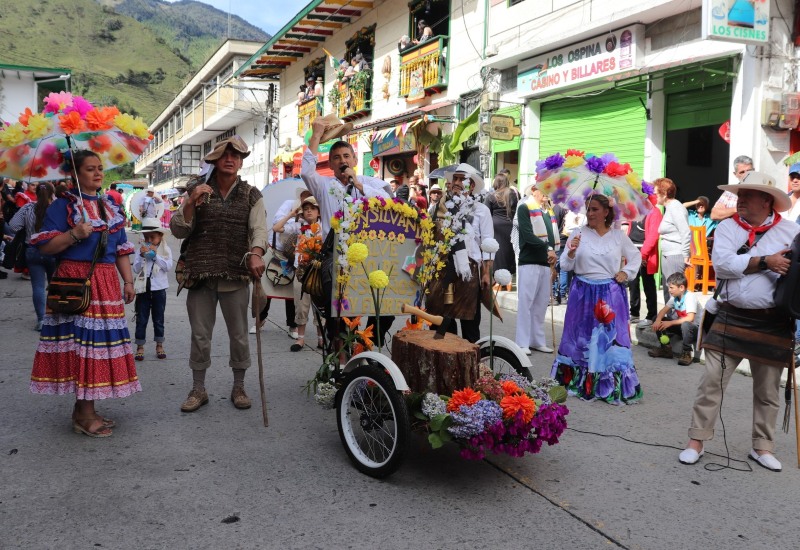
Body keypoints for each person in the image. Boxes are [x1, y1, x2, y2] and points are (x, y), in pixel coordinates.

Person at [679, 172, 799, 472]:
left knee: (768, 391)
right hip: (731, 315)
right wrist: (766, 261)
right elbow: (723, 265)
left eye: (747, 195)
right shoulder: (727, 228)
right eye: (739, 194)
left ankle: (762, 447)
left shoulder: (789, 232)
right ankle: (697, 441)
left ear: (767, 200)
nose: (740, 199)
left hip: (772, 321)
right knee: (710, 384)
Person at [30, 150, 140, 438]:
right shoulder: (62, 208)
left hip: (105, 285)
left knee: (97, 347)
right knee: (83, 348)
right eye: (90, 169)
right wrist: (74, 235)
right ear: (75, 175)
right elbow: (45, 248)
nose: (98, 173)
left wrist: (128, 282)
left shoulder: (109, 207)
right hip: (75, 283)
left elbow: (121, 250)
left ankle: (83, 410)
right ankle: (85, 413)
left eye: (100, 168)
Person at [170, 136, 268, 413]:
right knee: (200, 335)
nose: (230, 159)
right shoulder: (196, 190)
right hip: (199, 274)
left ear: (241, 162)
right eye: (225, 154)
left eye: (236, 156)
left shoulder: (251, 194)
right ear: (214, 159)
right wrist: (191, 202)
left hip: (236, 274)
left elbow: (259, 229)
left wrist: (257, 253)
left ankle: (239, 386)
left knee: (239, 335)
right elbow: (178, 229)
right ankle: (198, 389)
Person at [302, 117, 391, 346]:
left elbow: (388, 203)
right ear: (330, 165)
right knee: (340, 310)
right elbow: (305, 171)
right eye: (336, 158)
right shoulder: (324, 186)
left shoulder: (371, 183)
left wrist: (359, 185)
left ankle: (371, 343)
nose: (342, 161)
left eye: (346, 156)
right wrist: (315, 137)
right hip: (336, 257)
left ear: (355, 159)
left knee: (385, 303)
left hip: (371, 255)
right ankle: (341, 359)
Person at [551, 194, 642, 404]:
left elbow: (636, 257)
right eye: (588, 209)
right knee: (580, 339)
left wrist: (625, 272)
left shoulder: (619, 236)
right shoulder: (578, 233)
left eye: (595, 209)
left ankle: (607, 384)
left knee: (608, 341)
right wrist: (571, 251)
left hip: (610, 293)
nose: (590, 213)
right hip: (582, 292)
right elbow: (565, 265)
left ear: (606, 212)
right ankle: (578, 381)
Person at [432, 163, 494, 343]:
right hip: (444, 269)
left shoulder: (482, 210)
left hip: (469, 270)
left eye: (462, 179)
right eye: (455, 179)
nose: (457, 182)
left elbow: (488, 243)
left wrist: (486, 273)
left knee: (470, 323)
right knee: (444, 321)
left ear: (472, 185)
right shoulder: (440, 208)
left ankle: (472, 363)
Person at [273, 195, 324, 352]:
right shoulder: (298, 227)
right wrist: (291, 214)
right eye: (306, 209)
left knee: (319, 308)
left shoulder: (325, 227)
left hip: (319, 272)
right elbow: (276, 228)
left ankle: (321, 339)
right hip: (301, 272)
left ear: (319, 212)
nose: (308, 212)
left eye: (312, 209)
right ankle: (300, 340)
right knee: (301, 306)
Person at [251, 189, 304, 337]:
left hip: (294, 257)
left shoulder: (311, 213)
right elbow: (276, 223)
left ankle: (293, 326)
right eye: (304, 195)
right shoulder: (289, 204)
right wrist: (294, 215)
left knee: (292, 293)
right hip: (275, 251)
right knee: (266, 289)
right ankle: (260, 320)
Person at [7, 182, 57, 330]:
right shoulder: (56, 209)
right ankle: (55, 317)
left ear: (37, 194)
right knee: (54, 285)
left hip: (32, 250)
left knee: (38, 286)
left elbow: (13, 226)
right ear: (52, 194)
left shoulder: (28, 207)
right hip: (53, 250)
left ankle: (41, 320)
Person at [515, 182, 557, 355]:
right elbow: (527, 235)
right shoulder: (524, 208)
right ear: (534, 190)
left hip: (544, 263)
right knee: (526, 303)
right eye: (544, 189)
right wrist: (548, 248)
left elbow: (553, 239)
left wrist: (553, 255)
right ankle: (522, 342)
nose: (548, 193)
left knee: (540, 304)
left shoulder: (548, 213)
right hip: (529, 262)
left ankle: (537, 340)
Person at [132, 217, 173, 362]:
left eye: (152, 237)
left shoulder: (165, 249)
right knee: (141, 317)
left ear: (160, 236)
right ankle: (140, 347)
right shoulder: (140, 249)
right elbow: (136, 269)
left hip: (159, 289)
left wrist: (155, 257)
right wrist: (143, 257)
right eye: (146, 237)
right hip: (143, 288)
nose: (149, 240)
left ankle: (159, 345)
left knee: (158, 318)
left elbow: (168, 267)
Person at [648, 271, 701, 365]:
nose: (669, 290)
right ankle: (666, 349)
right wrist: (657, 320)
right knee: (656, 318)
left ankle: (686, 352)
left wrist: (671, 323)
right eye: (669, 287)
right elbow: (662, 311)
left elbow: (690, 318)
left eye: (671, 287)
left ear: (681, 287)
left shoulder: (690, 297)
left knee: (686, 324)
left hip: (694, 330)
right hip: (683, 328)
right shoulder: (675, 298)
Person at [655, 177, 691, 303]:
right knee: (668, 288)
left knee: (674, 290)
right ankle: (669, 318)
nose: (654, 196)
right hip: (667, 254)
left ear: (664, 194)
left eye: (656, 193)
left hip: (675, 254)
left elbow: (685, 231)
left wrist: (686, 254)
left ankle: (677, 319)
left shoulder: (676, 207)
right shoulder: (669, 208)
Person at [633, 195, 662, 328]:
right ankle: (634, 313)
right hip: (632, 252)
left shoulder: (655, 212)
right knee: (632, 283)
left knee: (648, 284)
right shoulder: (635, 209)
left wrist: (643, 255)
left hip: (645, 254)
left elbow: (653, 236)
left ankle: (651, 315)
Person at [484, 173, 518, 281]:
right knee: (509, 251)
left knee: (498, 253)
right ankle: (508, 279)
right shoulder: (513, 194)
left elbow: (486, 212)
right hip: (510, 225)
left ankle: (498, 280)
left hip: (496, 227)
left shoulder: (491, 196)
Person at [710, 155, 753, 221]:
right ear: (735, 174)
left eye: (749, 171)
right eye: (742, 172)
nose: (746, 174)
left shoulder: (763, 190)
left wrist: (727, 211)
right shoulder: (730, 192)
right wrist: (738, 209)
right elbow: (714, 215)